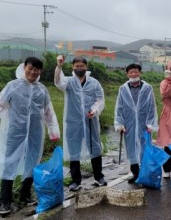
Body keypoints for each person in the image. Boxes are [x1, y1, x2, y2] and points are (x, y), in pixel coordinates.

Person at [0, 57, 60, 214]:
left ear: (40, 71)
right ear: (24, 67)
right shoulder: (12, 86)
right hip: (15, 132)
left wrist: (53, 130)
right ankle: (5, 200)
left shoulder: (41, 89)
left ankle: (25, 195)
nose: (33, 72)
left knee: (32, 161)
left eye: (37, 69)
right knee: (9, 162)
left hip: (35, 132)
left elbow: (48, 111)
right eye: (30, 68)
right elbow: (0, 103)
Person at [54, 56, 107, 191]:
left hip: (90, 120)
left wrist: (94, 110)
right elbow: (58, 83)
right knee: (74, 150)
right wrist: (59, 66)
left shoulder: (94, 83)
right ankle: (76, 181)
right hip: (73, 122)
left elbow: (99, 99)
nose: (79, 68)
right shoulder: (68, 81)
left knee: (94, 147)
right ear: (72, 67)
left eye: (82, 66)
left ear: (86, 67)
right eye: (76, 66)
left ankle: (98, 176)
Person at [114, 63, 158, 183]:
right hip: (129, 123)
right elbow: (119, 107)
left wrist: (151, 124)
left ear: (140, 72)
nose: (133, 74)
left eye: (136, 71)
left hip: (144, 123)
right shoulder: (123, 89)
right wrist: (120, 124)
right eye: (131, 72)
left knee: (144, 148)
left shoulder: (147, 88)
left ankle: (145, 173)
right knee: (131, 148)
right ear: (127, 74)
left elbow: (151, 106)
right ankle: (135, 173)